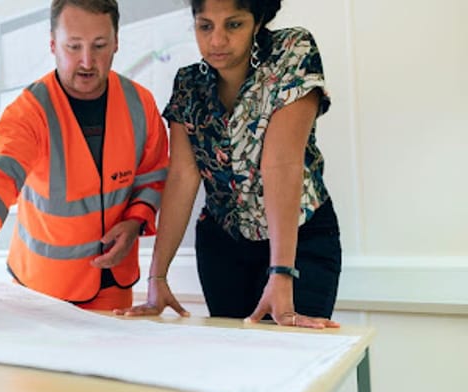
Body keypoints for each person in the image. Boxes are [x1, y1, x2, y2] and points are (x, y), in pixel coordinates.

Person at [0, 0, 169, 311]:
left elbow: (153, 174)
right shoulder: (28, 112)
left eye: (100, 45)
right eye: (73, 47)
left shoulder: (140, 103)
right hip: (42, 290)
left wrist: (134, 222)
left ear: (117, 42)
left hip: (114, 285)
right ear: (52, 45)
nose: (87, 62)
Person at [116, 0, 342, 329]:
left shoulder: (292, 51)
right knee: (236, 364)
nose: (217, 40)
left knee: (292, 360)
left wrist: (281, 273)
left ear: (257, 20)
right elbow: (182, 176)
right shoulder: (189, 85)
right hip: (223, 247)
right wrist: (157, 277)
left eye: (233, 25)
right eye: (205, 26)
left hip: (299, 242)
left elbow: (281, 163)